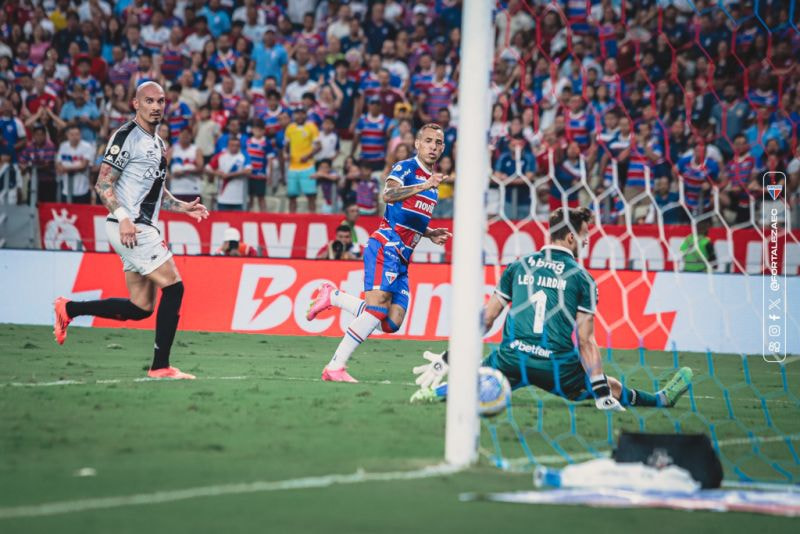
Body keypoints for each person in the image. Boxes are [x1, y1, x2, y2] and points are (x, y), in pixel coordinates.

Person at [410, 207, 693, 410]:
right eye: (584, 235)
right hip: (555, 366)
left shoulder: (518, 265)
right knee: (611, 385)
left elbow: (487, 317)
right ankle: (659, 400)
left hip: (512, 358)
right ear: (570, 238)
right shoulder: (582, 278)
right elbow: (585, 341)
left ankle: (432, 393)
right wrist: (601, 392)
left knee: (465, 383)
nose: (585, 242)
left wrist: (450, 356)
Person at [53, 82, 209, 380]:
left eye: (161, 101)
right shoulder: (125, 136)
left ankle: (69, 309)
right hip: (130, 227)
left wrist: (183, 206)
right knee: (174, 288)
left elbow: (156, 192)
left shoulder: (160, 145)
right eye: (149, 100)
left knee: (141, 307)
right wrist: (124, 218)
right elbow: (102, 184)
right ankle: (160, 366)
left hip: (136, 226)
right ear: (135, 104)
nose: (156, 106)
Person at [306, 123, 452, 382]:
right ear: (417, 144)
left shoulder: (434, 184)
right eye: (428, 140)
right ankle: (335, 366)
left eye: (438, 143)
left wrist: (429, 233)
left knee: (391, 322)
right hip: (386, 244)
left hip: (404, 257)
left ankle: (334, 296)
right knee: (376, 310)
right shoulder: (406, 168)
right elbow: (389, 195)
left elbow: (410, 216)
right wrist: (422, 185)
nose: (433, 146)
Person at [284, 106, 320, 213]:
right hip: (293, 167)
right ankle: (292, 218)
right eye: (297, 113)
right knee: (292, 196)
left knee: (311, 195)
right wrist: (286, 154)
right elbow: (286, 145)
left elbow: (318, 146)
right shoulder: (290, 128)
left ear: (305, 114)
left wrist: (308, 156)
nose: (299, 116)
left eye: (302, 113)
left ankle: (313, 218)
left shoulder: (311, 127)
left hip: (307, 166)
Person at [206, 135, 252, 211]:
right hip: (223, 198)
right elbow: (207, 169)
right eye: (232, 145)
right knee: (222, 221)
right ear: (228, 145)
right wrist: (218, 173)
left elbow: (248, 171)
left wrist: (229, 175)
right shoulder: (220, 156)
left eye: (237, 145)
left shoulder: (244, 156)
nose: (234, 147)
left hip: (239, 199)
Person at [55, 125, 95, 203]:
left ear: (80, 135)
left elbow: (83, 166)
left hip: (82, 190)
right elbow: (58, 165)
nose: (74, 137)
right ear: (67, 135)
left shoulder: (87, 147)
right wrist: (75, 167)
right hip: (66, 190)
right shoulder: (63, 146)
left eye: (77, 134)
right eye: (72, 134)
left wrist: (65, 169)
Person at [167, 128, 204, 203]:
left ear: (191, 136)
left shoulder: (196, 150)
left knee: (194, 214)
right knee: (176, 214)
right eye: (183, 135)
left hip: (193, 190)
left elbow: (201, 168)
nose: (185, 137)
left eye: (187, 135)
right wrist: (169, 176)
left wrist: (185, 171)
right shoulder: (173, 149)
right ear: (179, 136)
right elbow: (164, 165)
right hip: (176, 190)